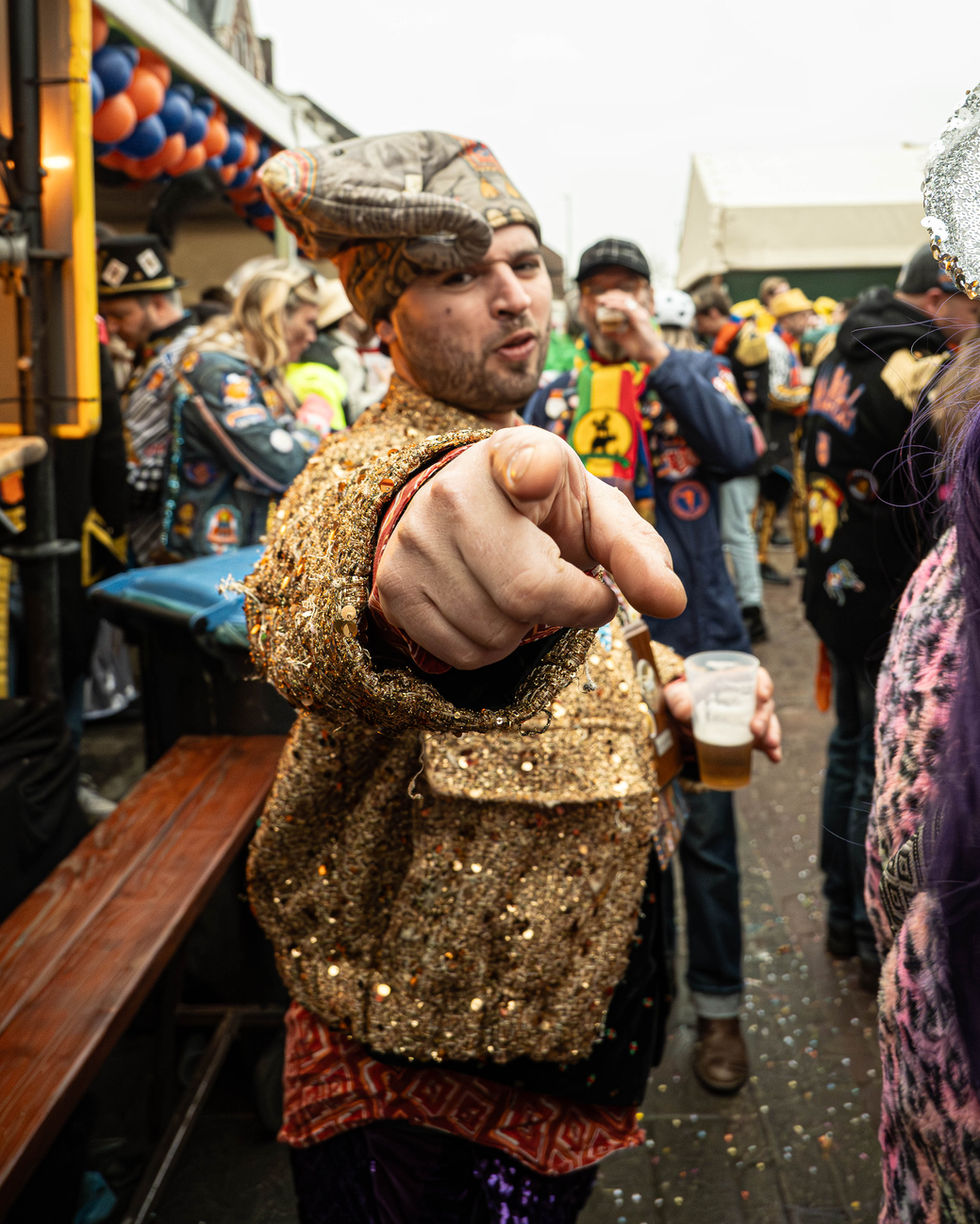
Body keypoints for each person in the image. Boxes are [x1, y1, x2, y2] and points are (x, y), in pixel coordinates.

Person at [244, 131, 781, 1222]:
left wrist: (668, 691)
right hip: (415, 1093)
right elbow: (344, 557)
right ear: (380, 318)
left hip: (578, 1038)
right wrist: (394, 581)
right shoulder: (374, 463)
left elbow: (588, 646)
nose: (510, 297)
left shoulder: (528, 446)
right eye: (456, 275)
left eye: (525, 263)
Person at [526, 236, 766, 1095]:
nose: (612, 301)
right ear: (579, 302)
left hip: (706, 641)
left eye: (627, 287)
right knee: (607, 833)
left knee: (712, 837)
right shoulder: (554, 392)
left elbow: (741, 452)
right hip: (592, 652)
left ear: (650, 294)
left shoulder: (697, 371)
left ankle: (721, 1012)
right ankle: (626, 1013)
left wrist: (657, 354)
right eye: (598, 289)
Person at [805, 245, 978, 996]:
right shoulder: (919, 364)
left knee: (848, 745)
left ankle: (840, 917)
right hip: (887, 593)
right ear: (941, 297)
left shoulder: (840, 345)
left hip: (832, 576)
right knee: (880, 766)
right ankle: (865, 926)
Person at [157, 260, 324, 560]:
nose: (313, 337)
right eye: (309, 322)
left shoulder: (253, 369)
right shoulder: (219, 373)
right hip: (211, 561)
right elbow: (283, 467)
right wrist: (313, 425)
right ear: (276, 318)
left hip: (243, 550)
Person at [693, 285, 773, 641]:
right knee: (736, 532)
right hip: (731, 454)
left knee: (738, 533)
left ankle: (752, 610)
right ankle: (745, 604)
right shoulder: (725, 342)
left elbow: (754, 400)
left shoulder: (746, 340)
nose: (697, 326)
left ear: (712, 313)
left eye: (699, 318)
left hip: (740, 454)